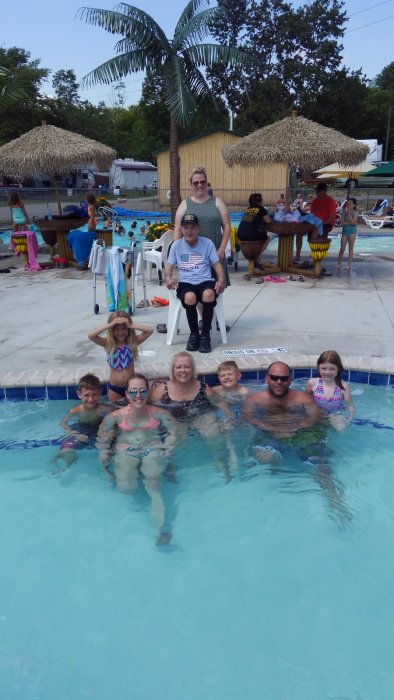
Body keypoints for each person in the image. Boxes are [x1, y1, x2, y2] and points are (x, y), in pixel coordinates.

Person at [242, 361, 350, 520]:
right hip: (272, 432)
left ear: (290, 380)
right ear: (267, 379)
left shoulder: (302, 398)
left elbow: (316, 416)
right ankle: (275, 476)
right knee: (265, 457)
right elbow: (247, 417)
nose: (279, 382)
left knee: (321, 466)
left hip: (302, 432)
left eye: (283, 378)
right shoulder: (255, 400)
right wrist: (271, 427)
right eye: (274, 377)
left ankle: (336, 503)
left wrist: (296, 426)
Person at [97, 373, 176, 545]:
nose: (138, 396)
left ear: (148, 393)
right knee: (126, 488)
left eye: (142, 391)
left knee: (153, 487)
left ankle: (160, 530)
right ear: (126, 394)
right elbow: (102, 435)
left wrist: (168, 447)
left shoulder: (160, 413)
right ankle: (125, 529)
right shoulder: (116, 416)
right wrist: (103, 452)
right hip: (126, 449)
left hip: (152, 447)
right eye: (133, 392)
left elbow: (173, 430)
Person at [150, 351, 230, 478]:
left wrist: (231, 417)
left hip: (200, 414)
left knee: (213, 434)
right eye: (179, 367)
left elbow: (220, 401)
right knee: (173, 441)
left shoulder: (203, 387)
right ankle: (169, 464)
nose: (183, 370)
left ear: (192, 369)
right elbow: (149, 407)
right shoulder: (162, 389)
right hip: (175, 417)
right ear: (173, 369)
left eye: (187, 367)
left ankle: (218, 459)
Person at [165, 212, 225, 353]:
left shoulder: (207, 243)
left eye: (192, 227)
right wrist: (168, 278)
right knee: (190, 297)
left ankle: (205, 335)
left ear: (198, 229)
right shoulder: (176, 246)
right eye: (186, 227)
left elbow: (216, 265)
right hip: (186, 283)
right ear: (181, 230)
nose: (189, 231)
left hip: (205, 281)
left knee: (209, 294)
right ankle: (193, 334)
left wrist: (222, 279)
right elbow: (169, 268)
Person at [174, 165, 231, 287]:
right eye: (196, 183)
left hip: (215, 255)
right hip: (192, 260)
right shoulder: (184, 205)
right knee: (193, 295)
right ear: (191, 185)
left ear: (207, 183)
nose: (199, 185)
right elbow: (178, 230)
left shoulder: (218, 202)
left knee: (216, 294)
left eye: (202, 182)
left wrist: (221, 249)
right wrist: (177, 254)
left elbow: (227, 227)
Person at [88, 310, 153, 402]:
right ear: (112, 330)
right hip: (115, 389)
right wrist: (110, 324)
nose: (120, 332)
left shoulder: (132, 342)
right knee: (116, 413)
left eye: (124, 328)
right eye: (116, 329)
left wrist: (131, 325)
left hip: (132, 388)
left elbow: (150, 330)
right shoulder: (108, 343)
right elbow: (91, 336)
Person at [51, 373, 111, 472]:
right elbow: (63, 423)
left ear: (99, 393)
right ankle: (61, 468)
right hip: (80, 429)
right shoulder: (76, 410)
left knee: (106, 448)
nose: (91, 399)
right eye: (86, 395)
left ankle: (105, 470)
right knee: (67, 446)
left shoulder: (105, 409)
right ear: (79, 394)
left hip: (98, 429)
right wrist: (75, 433)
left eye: (94, 395)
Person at [305, 350, 355, 431]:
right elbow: (305, 399)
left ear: (338, 369)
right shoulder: (313, 383)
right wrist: (309, 412)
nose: (327, 372)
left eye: (332, 369)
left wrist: (348, 420)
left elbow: (350, 405)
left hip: (335, 414)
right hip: (317, 412)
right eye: (324, 368)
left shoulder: (343, 386)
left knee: (342, 430)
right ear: (318, 368)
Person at [294, 182, 337, 264]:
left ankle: (312, 258)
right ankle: (297, 255)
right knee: (299, 231)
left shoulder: (330, 201)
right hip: (314, 222)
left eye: (318, 191)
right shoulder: (315, 201)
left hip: (326, 223)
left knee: (315, 232)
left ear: (324, 191)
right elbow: (311, 215)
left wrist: (320, 223)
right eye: (317, 191)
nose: (316, 193)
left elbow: (331, 218)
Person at [236, 193, 273, 271]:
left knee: (261, 234)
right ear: (259, 201)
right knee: (267, 238)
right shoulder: (260, 208)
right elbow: (268, 221)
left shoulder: (248, 209)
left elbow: (249, 223)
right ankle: (256, 258)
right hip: (251, 235)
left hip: (240, 234)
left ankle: (257, 259)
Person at [337, 198, 358, 272]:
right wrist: (349, 222)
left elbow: (354, 223)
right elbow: (342, 223)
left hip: (352, 231)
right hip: (345, 231)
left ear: (354, 205)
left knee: (350, 249)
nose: (348, 205)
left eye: (349, 204)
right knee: (342, 248)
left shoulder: (355, 212)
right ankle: (339, 263)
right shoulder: (343, 212)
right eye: (347, 204)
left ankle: (348, 265)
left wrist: (349, 214)